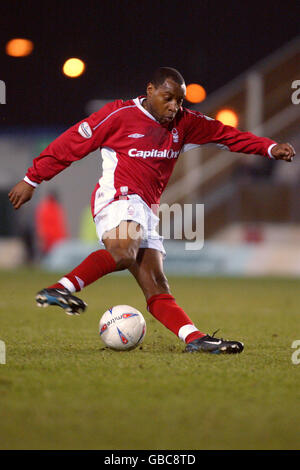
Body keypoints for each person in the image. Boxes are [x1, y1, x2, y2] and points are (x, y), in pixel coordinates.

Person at [8, 67, 295, 354]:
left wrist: (269, 149)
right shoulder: (118, 116)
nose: (174, 107)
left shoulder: (185, 122)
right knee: (123, 252)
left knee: (156, 284)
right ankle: (60, 289)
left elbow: (227, 135)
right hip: (117, 198)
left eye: (180, 101)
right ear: (150, 91)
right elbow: (71, 143)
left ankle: (194, 338)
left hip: (145, 208)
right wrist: (32, 179)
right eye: (168, 98)